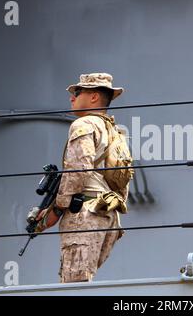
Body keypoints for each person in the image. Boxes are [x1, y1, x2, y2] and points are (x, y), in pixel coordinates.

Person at [35, 73, 133, 283]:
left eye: (78, 92)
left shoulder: (85, 124)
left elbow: (79, 170)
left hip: (84, 214)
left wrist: (58, 209)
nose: (72, 97)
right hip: (108, 216)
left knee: (74, 283)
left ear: (94, 97)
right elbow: (123, 179)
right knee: (84, 281)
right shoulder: (115, 132)